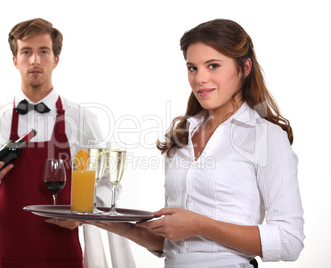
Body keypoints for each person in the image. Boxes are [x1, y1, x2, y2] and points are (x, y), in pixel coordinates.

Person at [85, 19, 305, 268]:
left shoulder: (265, 137)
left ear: (244, 68)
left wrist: (200, 224)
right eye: (192, 67)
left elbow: (289, 241)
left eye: (213, 66)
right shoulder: (182, 137)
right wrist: (112, 224)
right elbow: (174, 244)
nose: (200, 78)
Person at [0, 18, 116, 267]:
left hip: (64, 254)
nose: (35, 60)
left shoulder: (81, 117)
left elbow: (108, 177)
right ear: (15, 60)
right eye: (26, 52)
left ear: (56, 59)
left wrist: (85, 214)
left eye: (43, 51)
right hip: (10, 254)